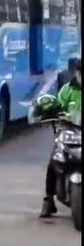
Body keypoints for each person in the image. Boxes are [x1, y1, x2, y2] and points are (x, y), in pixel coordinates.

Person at [36, 57, 81, 218]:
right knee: (53, 163)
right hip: (69, 132)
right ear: (76, 73)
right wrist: (47, 113)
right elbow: (56, 107)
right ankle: (49, 201)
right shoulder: (67, 90)